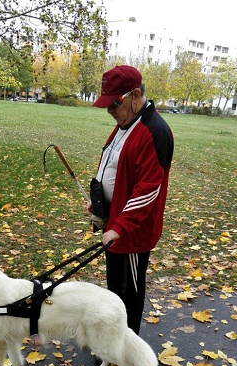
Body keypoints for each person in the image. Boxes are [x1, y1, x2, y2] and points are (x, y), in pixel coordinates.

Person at [87, 65, 174, 335]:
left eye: (114, 104)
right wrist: (99, 199)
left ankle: (127, 347)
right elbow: (112, 164)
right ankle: (113, 341)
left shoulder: (155, 131)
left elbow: (148, 189)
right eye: (107, 106)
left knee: (129, 295)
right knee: (115, 292)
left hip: (132, 233)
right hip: (115, 224)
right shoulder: (125, 124)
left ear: (135, 95)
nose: (110, 111)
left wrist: (120, 226)